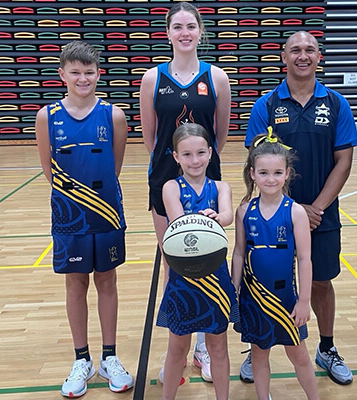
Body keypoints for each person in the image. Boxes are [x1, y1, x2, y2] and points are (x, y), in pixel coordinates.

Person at [242, 30, 357, 385]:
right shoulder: (266, 105)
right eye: (296, 50)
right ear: (283, 56)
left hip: (321, 215)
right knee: (263, 280)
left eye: (310, 49)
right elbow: (259, 161)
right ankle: (256, 349)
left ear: (319, 56)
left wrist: (316, 209)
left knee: (321, 282)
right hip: (271, 212)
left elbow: (344, 161)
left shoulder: (337, 104)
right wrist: (292, 209)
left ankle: (326, 347)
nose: (303, 55)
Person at [35, 41, 134, 397]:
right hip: (69, 217)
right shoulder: (47, 116)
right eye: (75, 72)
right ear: (62, 74)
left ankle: (109, 357)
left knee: (107, 281)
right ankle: (82, 358)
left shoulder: (114, 115)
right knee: (75, 284)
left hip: (107, 212)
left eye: (88, 72)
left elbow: (115, 165)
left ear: (98, 74)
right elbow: (49, 170)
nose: (82, 78)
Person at [139, 1, 231, 382]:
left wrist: (200, 163)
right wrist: (173, 168)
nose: (184, 33)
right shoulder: (152, 78)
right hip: (167, 176)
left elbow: (220, 135)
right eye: (177, 27)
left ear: (200, 31)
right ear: (168, 33)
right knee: (174, 261)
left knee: (206, 260)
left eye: (191, 26)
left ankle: (202, 351)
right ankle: (175, 348)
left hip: (205, 175)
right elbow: (150, 137)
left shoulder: (218, 77)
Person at [231, 130, 320, 400]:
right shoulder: (245, 210)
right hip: (254, 298)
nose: (271, 179)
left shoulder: (295, 212)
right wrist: (233, 291)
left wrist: (304, 300)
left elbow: (305, 258)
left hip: (286, 299)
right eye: (264, 173)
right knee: (259, 352)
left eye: (277, 173)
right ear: (252, 174)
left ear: (287, 173)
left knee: (299, 354)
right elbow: (237, 253)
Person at [156, 123, 237, 400]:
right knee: (177, 347)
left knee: (218, 347)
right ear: (176, 157)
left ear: (211, 153)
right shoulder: (170, 187)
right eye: (187, 154)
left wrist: (216, 217)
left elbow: (227, 215)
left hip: (215, 277)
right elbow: (178, 219)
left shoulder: (221, 187)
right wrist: (200, 221)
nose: (195, 160)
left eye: (201, 152)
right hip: (183, 278)